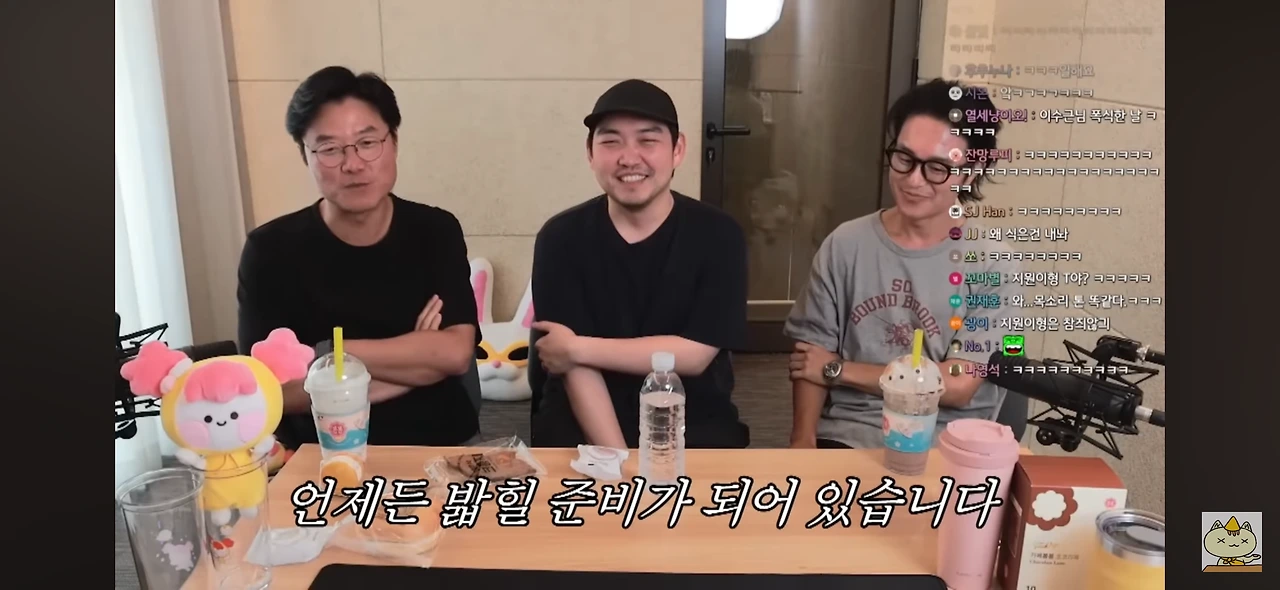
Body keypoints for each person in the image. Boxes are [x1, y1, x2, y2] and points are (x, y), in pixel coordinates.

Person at [236, 66, 481, 449]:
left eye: (367, 143)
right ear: (305, 156)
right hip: (317, 452)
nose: (353, 164)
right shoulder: (270, 249)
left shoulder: (435, 230)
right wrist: (417, 363)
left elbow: (454, 355)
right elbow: (271, 392)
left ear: (393, 142)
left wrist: (328, 353)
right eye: (330, 149)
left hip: (439, 444)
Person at [783, 78, 1020, 449]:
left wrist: (839, 370)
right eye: (905, 159)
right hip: (849, 436)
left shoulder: (992, 264)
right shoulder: (845, 245)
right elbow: (809, 361)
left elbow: (958, 385)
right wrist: (802, 444)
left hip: (948, 446)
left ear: (971, 171)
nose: (913, 180)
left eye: (937, 168)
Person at [529, 79, 751, 449]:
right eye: (611, 141)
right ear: (590, 152)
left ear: (677, 150)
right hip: (580, 423)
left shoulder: (719, 234)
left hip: (692, 420)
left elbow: (694, 355)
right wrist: (618, 462)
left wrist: (578, 348)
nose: (629, 158)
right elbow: (575, 370)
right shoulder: (560, 237)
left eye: (648, 140)